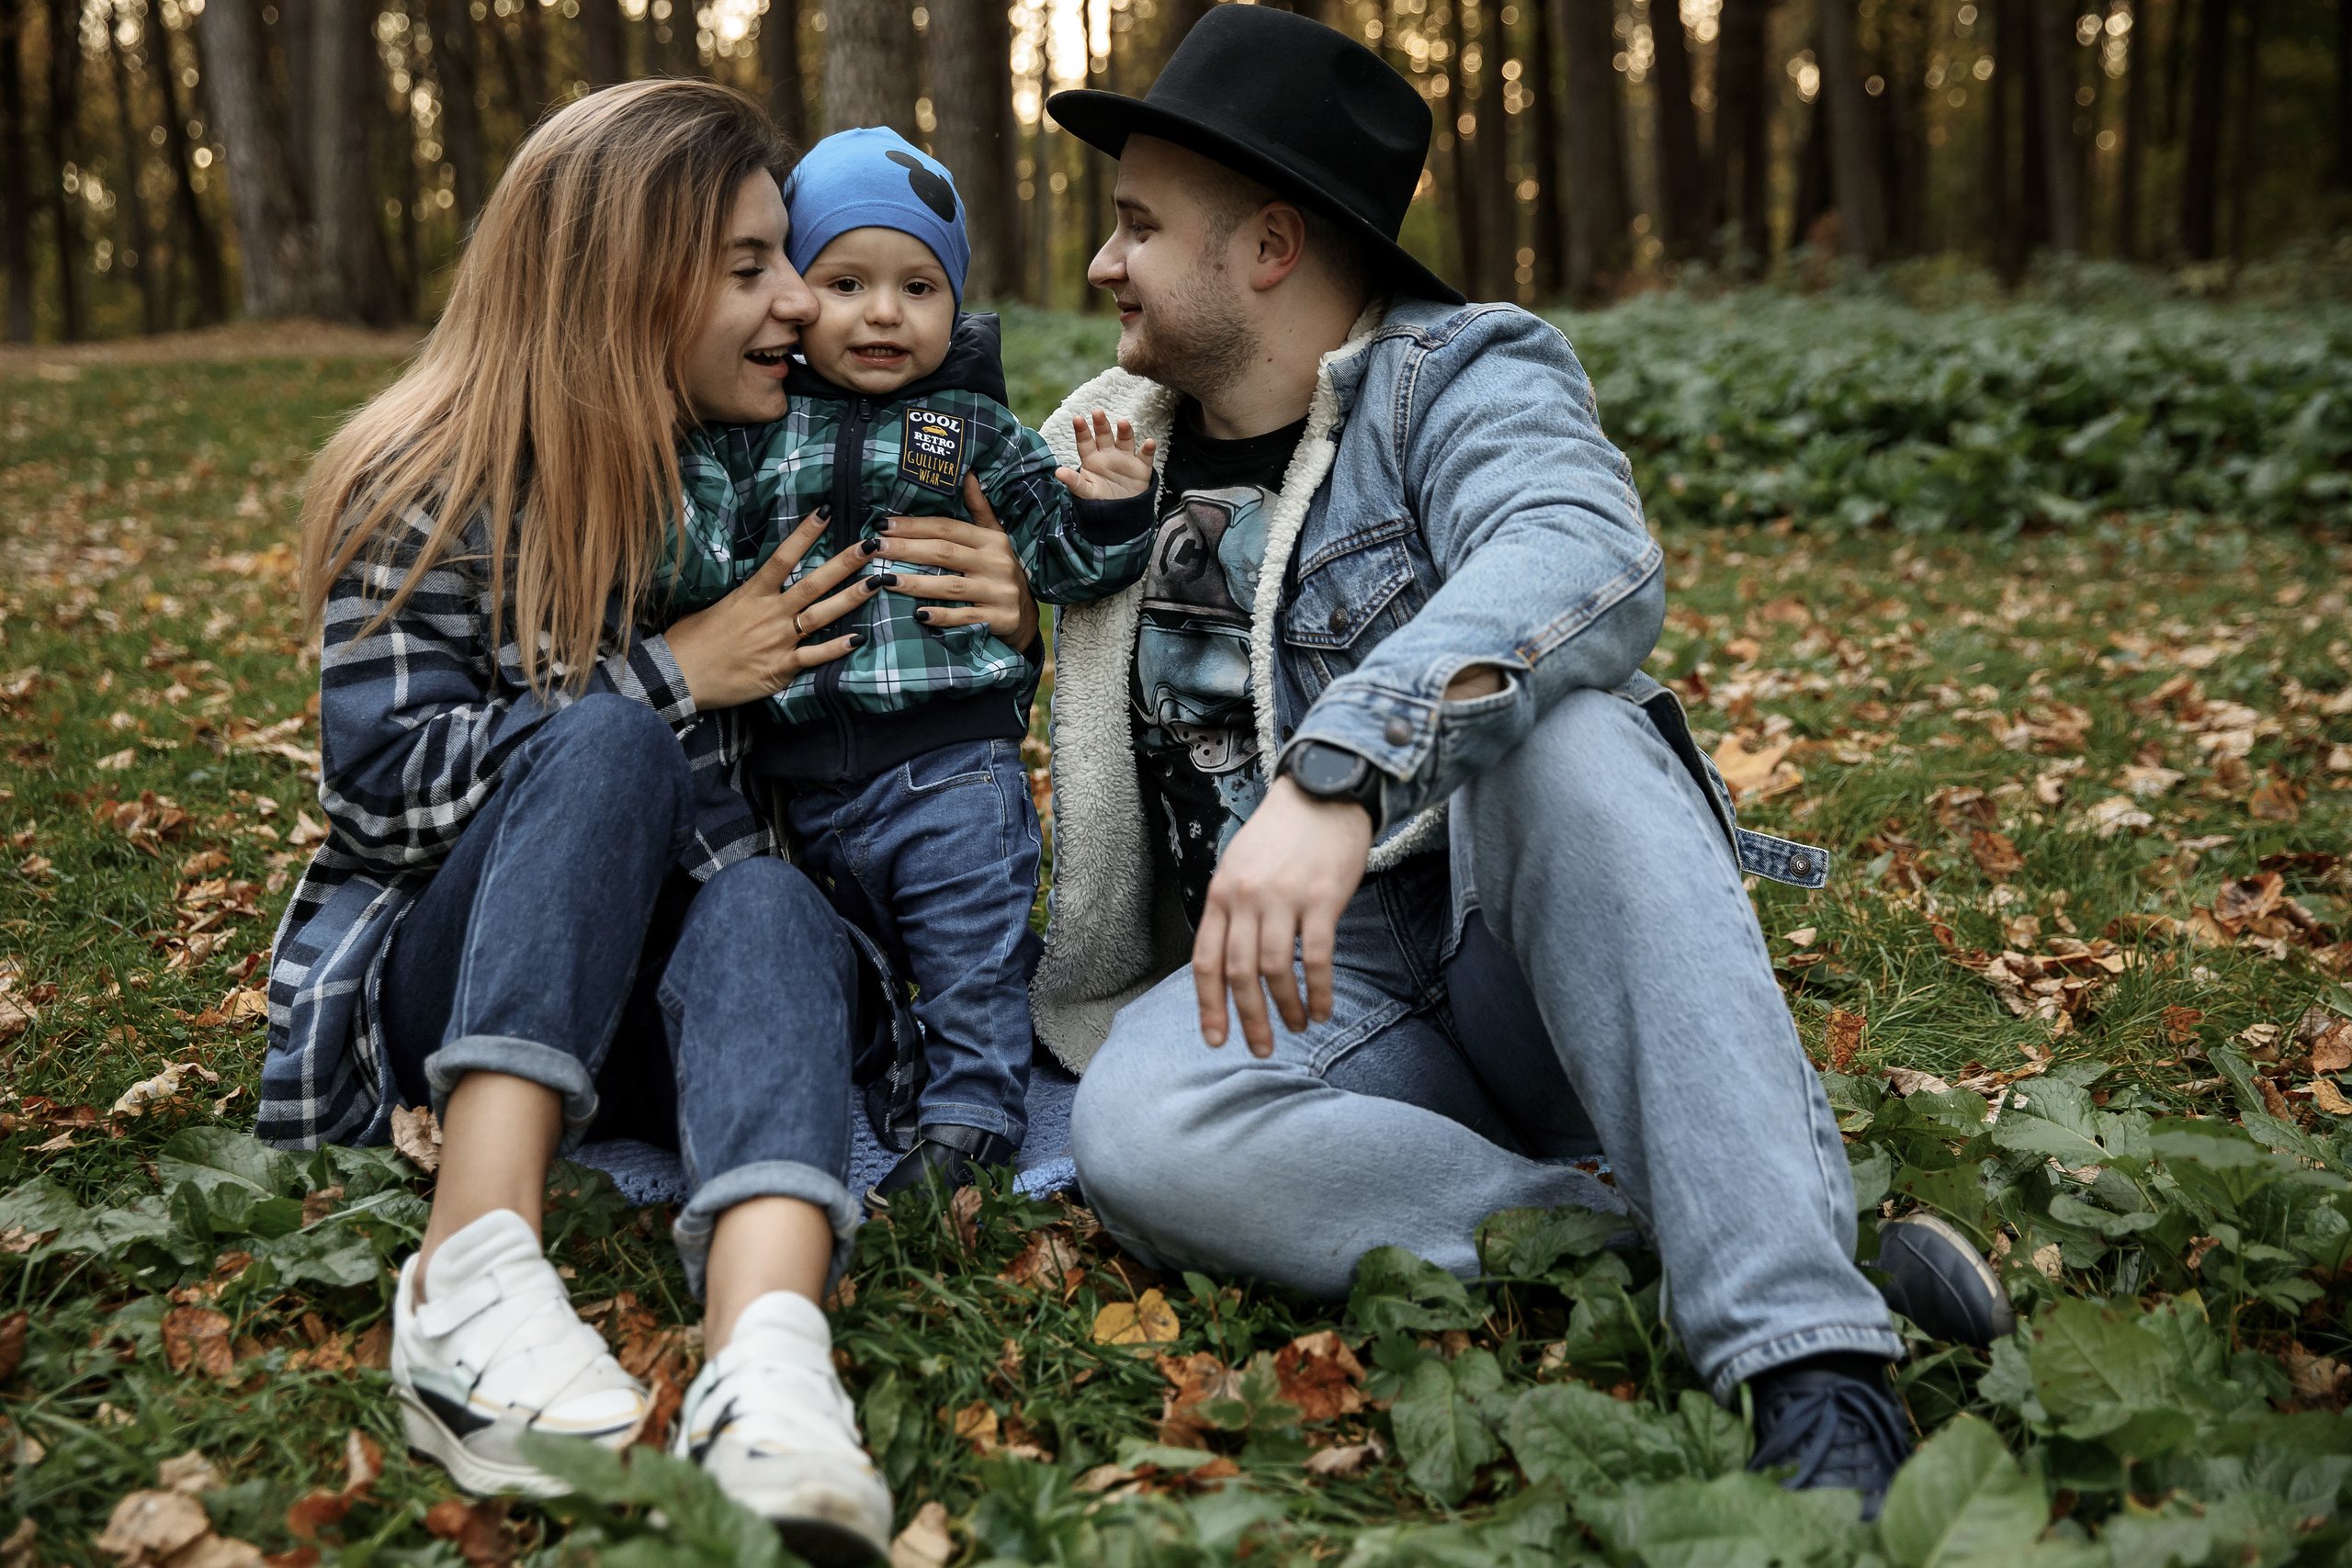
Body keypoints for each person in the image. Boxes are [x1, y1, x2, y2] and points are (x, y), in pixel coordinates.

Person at [1031, 6, 2008, 1517]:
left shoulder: (1460, 376)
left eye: (1138, 228)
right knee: (1139, 1132)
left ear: (1272, 244)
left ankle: (1808, 1358)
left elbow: (1581, 551)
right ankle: (1669, 1220)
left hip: (1517, 928)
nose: (1103, 264)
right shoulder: (1100, 452)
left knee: (1574, 739)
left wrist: (1339, 771)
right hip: (1312, 983)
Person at [265, 82, 1038, 1558]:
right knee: (612, 738)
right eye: (751, 266)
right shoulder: (429, 482)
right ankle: (473, 1262)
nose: (801, 301)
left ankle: (769, 1358)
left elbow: (888, 716)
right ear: (624, 276)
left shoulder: (759, 477)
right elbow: (378, 784)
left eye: (787, 264)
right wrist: (676, 671)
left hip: (675, 1006)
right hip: (464, 987)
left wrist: (1001, 618)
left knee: (773, 903)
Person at [658, 127, 1159, 1193]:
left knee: (967, 957)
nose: (884, 313)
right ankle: (886, 1083)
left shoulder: (970, 423)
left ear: (953, 302)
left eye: (919, 286)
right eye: (846, 281)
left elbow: (1054, 552)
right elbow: (694, 560)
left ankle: (975, 1124)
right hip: (801, 791)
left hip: (952, 769)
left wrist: (1110, 516)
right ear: (796, 292)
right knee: (862, 967)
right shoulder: (753, 427)